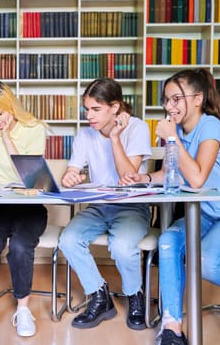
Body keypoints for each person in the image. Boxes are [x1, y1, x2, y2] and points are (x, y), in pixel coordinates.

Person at [121, 68, 220, 345]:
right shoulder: (178, 131)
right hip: (205, 214)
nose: (170, 106)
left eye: (176, 99)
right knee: (167, 241)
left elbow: (196, 177)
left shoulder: (211, 126)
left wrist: (172, 138)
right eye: (166, 100)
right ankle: (172, 328)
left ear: (197, 99)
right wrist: (143, 178)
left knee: (204, 260)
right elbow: (171, 173)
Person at [58, 78, 152, 331]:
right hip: (99, 206)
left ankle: (135, 296)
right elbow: (72, 170)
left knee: (122, 246)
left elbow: (129, 176)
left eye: (95, 109)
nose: (89, 115)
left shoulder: (138, 128)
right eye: (87, 109)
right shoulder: (84, 135)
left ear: (115, 107)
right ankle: (100, 296)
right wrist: (70, 177)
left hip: (131, 206)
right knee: (68, 239)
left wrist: (115, 138)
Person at [0, 79, 48, 338]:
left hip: (29, 206)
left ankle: (23, 309)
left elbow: (32, 178)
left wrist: (6, 137)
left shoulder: (34, 128)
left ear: (11, 106)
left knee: (20, 247)